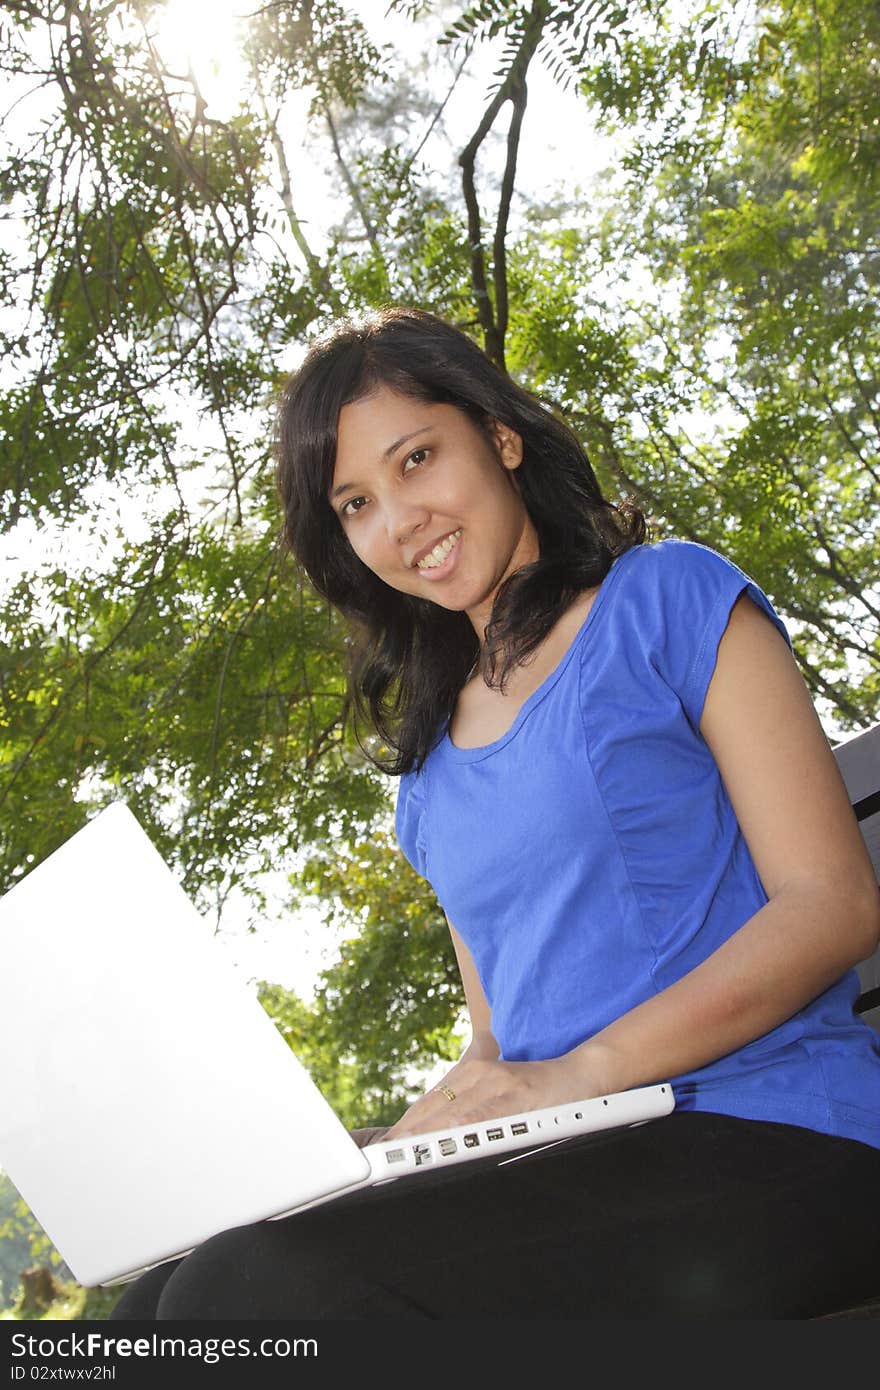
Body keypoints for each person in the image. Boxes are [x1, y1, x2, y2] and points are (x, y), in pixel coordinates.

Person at [109, 305, 880, 1320]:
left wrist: (581, 1074)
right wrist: (402, 1144)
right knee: (160, 1293)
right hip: (576, 1156)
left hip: (778, 1129)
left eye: (417, 457)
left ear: (499, 437)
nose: (399, 519)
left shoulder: (666, 600)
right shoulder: (430, 777)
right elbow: (497, 1052)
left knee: (244, 1295)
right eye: (354, 503)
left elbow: (831, 903)